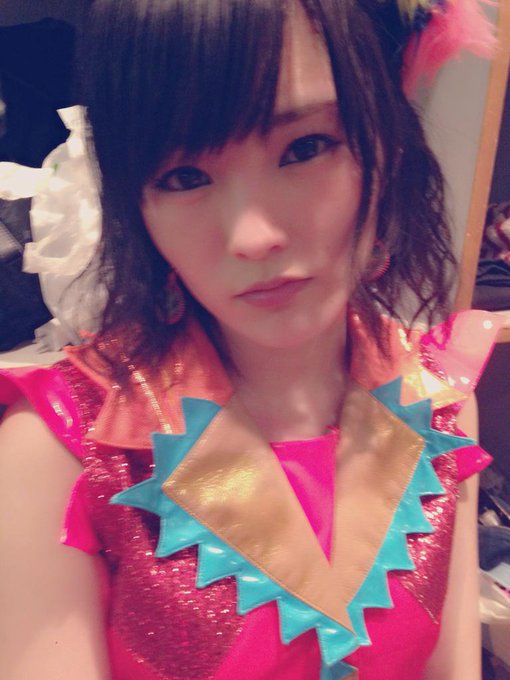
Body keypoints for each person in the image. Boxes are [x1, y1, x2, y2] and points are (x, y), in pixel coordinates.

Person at [0, 1, 501, 678]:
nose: (253, 236)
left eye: (305, 147)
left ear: (385, 146)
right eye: (183, 177)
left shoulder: (439, 407)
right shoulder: (58, 452)